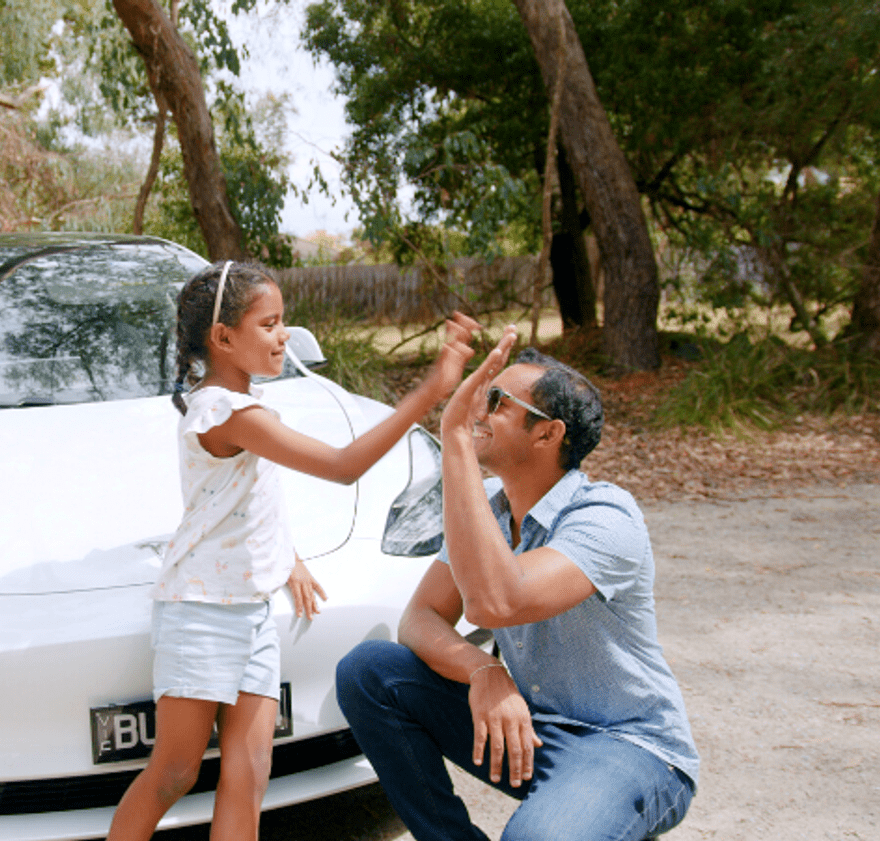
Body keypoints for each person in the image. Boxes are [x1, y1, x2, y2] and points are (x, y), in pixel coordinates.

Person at [105, 260, 480, 840]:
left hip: (250, 611)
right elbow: (343, 466)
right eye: (269, 324)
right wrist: (433, 389)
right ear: (222, 337)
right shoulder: (224, 411)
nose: (284, 336)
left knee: (251, 772)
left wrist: (289, 558)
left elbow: (241, 499)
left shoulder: (239, 405)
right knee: (174, 772)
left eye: (284, 322)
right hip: (201, 613)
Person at [335, 334, 699, 841]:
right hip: (533, 731)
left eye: (497, 401)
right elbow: (419, 619)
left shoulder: (607, 517)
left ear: (548, 434)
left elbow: (498, 602)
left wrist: (455, 438)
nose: (479, 410)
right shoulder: (487, 504)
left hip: (630, 746)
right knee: (371, 670)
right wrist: (484, 670)